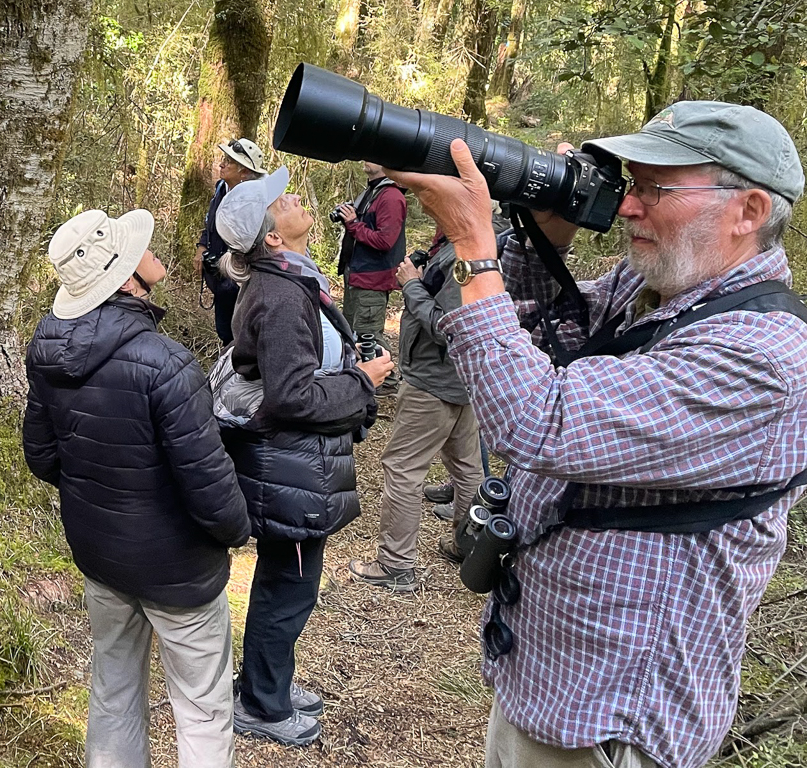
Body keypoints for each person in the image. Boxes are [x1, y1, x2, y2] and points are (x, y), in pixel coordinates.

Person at [393, 101, 807, 768]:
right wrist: (541, 237)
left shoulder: (763, 357)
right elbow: (537, 337)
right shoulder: (661, 291)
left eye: (653, 189)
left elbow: (538, 418)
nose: (627, 208)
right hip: (545, 682)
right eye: (629, 185)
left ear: (748, 212)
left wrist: (474, 248)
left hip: (611, 722)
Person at [23, 208, 250, 768]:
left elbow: (42, 455)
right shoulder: (167, 363)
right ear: (128, 280)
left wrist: (94, 488)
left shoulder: (47, 350)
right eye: (137, 249)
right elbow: (207, 479)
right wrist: (236, 531)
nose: (153, 252)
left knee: (114, 688)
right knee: (201, 708)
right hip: (178, 568)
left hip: (100, 555)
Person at [212, 173, 393, 747]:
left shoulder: (286, 281)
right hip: (289, 468)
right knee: (287, 591)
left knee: (284, 585)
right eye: (278, 200)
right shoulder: (284, 295)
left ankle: (269, 682)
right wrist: (361, 381)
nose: (291, 197)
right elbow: (292, 397)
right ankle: (263, 705)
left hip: (292, 468)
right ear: (271, 237)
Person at [347, 225, 482, 592]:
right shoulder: (477, 242)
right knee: (468, 469)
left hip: (435, 381)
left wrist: (411, 285)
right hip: (463, 379)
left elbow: (449, 327)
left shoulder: (465, 253)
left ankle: (396, 563)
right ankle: (468, 547)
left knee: (403, 469)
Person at [336, 161, 408, 371]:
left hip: (372, 279)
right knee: (351, 329)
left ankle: (388, 378)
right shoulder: (372, 191)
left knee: (370, 335)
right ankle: (359, 373)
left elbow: (385, 241)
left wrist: (353, 224)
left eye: (374, 156)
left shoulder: (392, 197)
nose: (366, 159)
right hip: (357, 274)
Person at [197, 138, 268, 344]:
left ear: (244, 172)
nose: (221, 164)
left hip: (241, 281)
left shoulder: (257, 200)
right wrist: (202, 247)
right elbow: (210, 222)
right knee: (223, 329)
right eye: (224, 158)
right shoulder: (221, 188)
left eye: (229, 161)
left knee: (240, 332)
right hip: (219, 278)